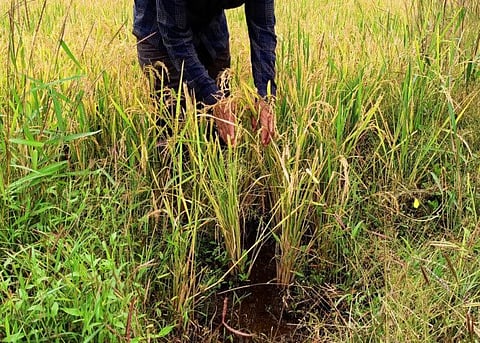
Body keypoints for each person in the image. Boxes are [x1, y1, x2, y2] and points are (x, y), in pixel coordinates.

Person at [133, 0, 277, 146]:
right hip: (158, 29)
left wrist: (265, 95)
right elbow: (174, 37)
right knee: (174, 130)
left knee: (221, 132)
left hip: (211, 29)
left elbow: (263, 28)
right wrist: (213, 97)